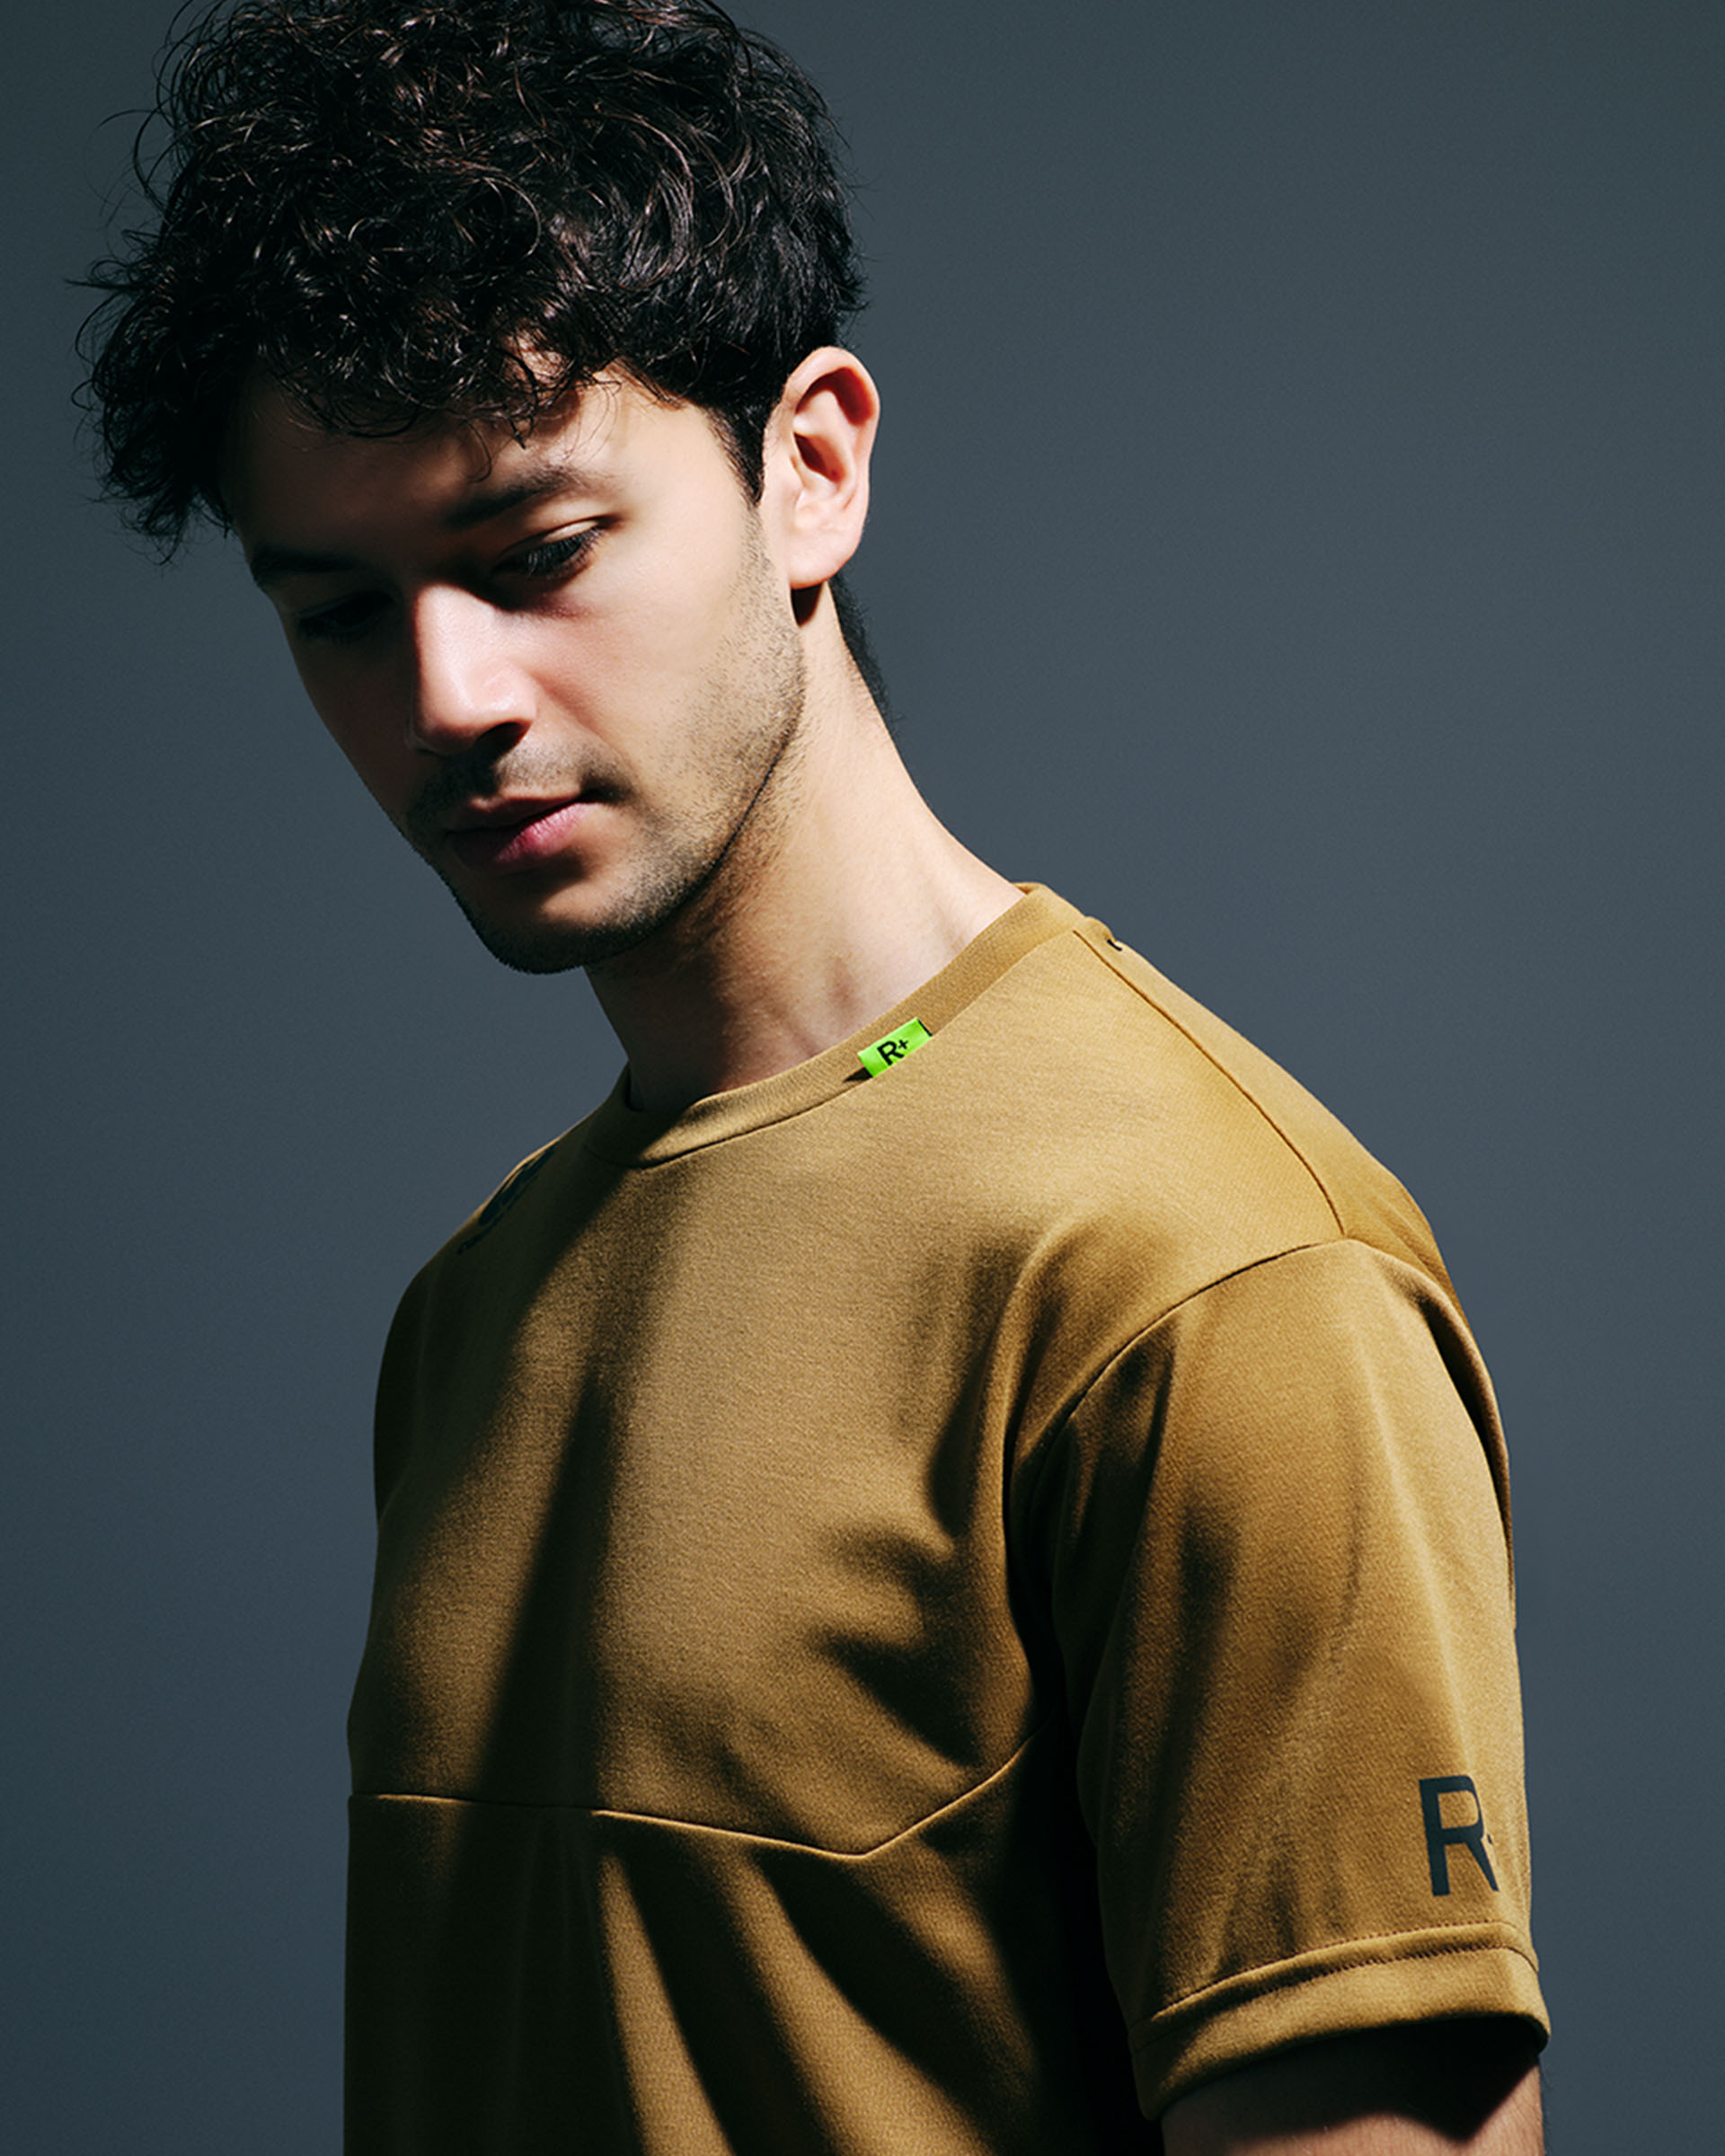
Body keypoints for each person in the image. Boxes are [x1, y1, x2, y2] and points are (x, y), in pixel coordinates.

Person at [84, 2, 1549, 2148]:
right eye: (339, 610)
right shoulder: (476, 1305)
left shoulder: (1214, 1278)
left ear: (813, 468)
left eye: (535, 556)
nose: (448, 696)